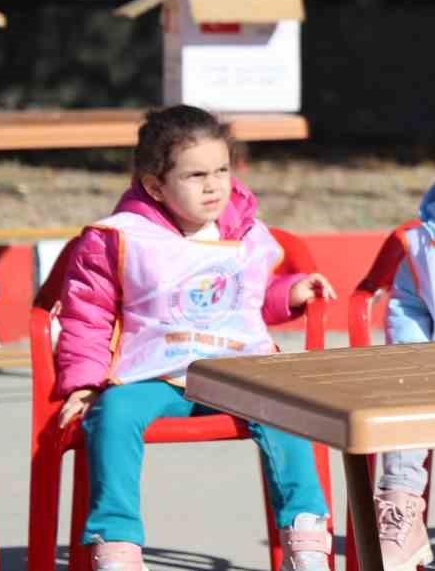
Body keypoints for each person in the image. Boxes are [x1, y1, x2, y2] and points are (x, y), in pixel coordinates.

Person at [53, 106, 337, 571]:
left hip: (237, 376)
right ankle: (118, 543)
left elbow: (248, 302)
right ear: (154, 185)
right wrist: (83, 383)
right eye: (196, 174)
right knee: (113, 416)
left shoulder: (246, 233)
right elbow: (89, 315)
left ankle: (305, 535)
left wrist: (291, 293)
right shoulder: (121, 238)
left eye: (222, 170)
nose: (214, 186)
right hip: (156, 378)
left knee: (288, 407)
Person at [372, 168, 435, 571]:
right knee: (403, 382)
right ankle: (401, 504)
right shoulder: (430, 232)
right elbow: (408, 305)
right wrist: (411, 361)